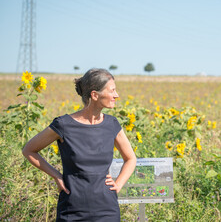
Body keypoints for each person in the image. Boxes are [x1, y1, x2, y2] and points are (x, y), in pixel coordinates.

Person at [22, 68, 137, 221]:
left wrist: (119, 183)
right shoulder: (63, 125)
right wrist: (56, 175)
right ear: (95, 95)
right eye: (112, 91)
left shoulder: (112, 124)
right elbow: (29, 150)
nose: (117, 95)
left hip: (107, 211)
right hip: (72, 210)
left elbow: (131, 158)